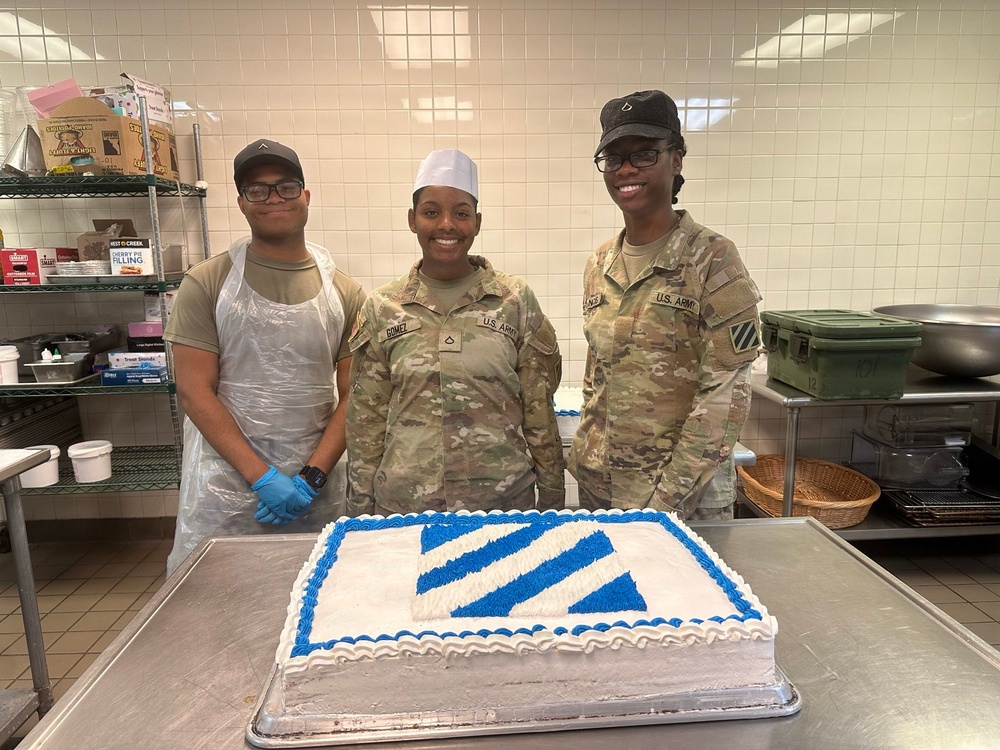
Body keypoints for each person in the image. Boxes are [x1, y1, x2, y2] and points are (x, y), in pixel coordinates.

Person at [164, 139, 365, 574]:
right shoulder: (207, 284)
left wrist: (310, 478)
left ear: (305, 196)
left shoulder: (345, 293)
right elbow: (195, 392)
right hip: (226, 488)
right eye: (258, 189)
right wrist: (262, 477)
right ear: (241, 202)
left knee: (314, 601)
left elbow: (355, 396)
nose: (274, 198)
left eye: (286, 187)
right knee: (219, 606)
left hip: (317, 483)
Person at [568, 90, 762, 521]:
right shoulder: (600, 262)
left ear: (676, 159)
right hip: (601, 487)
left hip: (681, 499)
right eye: (613, 158)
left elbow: (725, 396)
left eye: (644, 155)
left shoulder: (712, 259)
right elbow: (596, 376)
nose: (626, 170)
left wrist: (664, 504)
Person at [346, 149, 565, 515]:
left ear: (477, 222)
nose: (446, 224)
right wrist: (357, 514)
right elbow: (365, 421)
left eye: (461, 213)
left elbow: (539, 411)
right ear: (412, 220)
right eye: (431, 212)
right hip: (405, 509)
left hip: (501, 507)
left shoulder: (514, 301)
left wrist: (554, 501)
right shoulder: (382, 307)